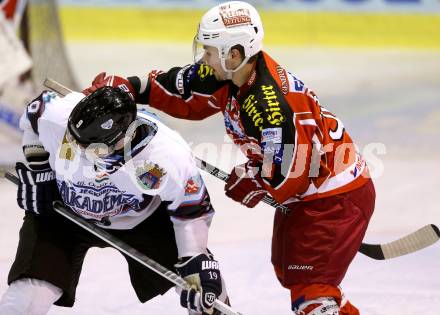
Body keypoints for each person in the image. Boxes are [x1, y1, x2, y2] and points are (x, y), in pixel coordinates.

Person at [86, 1, 375, 314]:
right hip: (315, 196)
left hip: (333, 198)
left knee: (313, 293)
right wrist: (128, 89)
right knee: (294, 273)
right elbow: (181, 92)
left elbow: (294, 170)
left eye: (210, 52)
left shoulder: (269, 103)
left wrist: (256, 179)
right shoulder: (229, 73)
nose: (203, 59)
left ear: (233, 54)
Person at [0, 80, 230, 315]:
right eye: (73, 141)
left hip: (142, 218)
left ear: (121, 141)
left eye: (89, 149)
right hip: (64, 210)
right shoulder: (57, 116)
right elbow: (32, 117)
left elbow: (191, 209)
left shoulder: (167, 155)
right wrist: (41, 172)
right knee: (26, 298)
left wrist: (195, 256)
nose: (76, 151)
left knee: (205, 289)